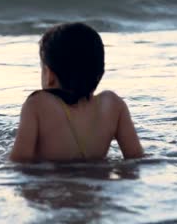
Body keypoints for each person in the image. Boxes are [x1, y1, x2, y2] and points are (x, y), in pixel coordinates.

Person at [10, 22, 144, 162]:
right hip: (97, 183)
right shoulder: (113, 105)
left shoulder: (38, 104)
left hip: (53, 182)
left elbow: (19, 163)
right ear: (100, 72)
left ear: (49, 75)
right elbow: (136, 158)